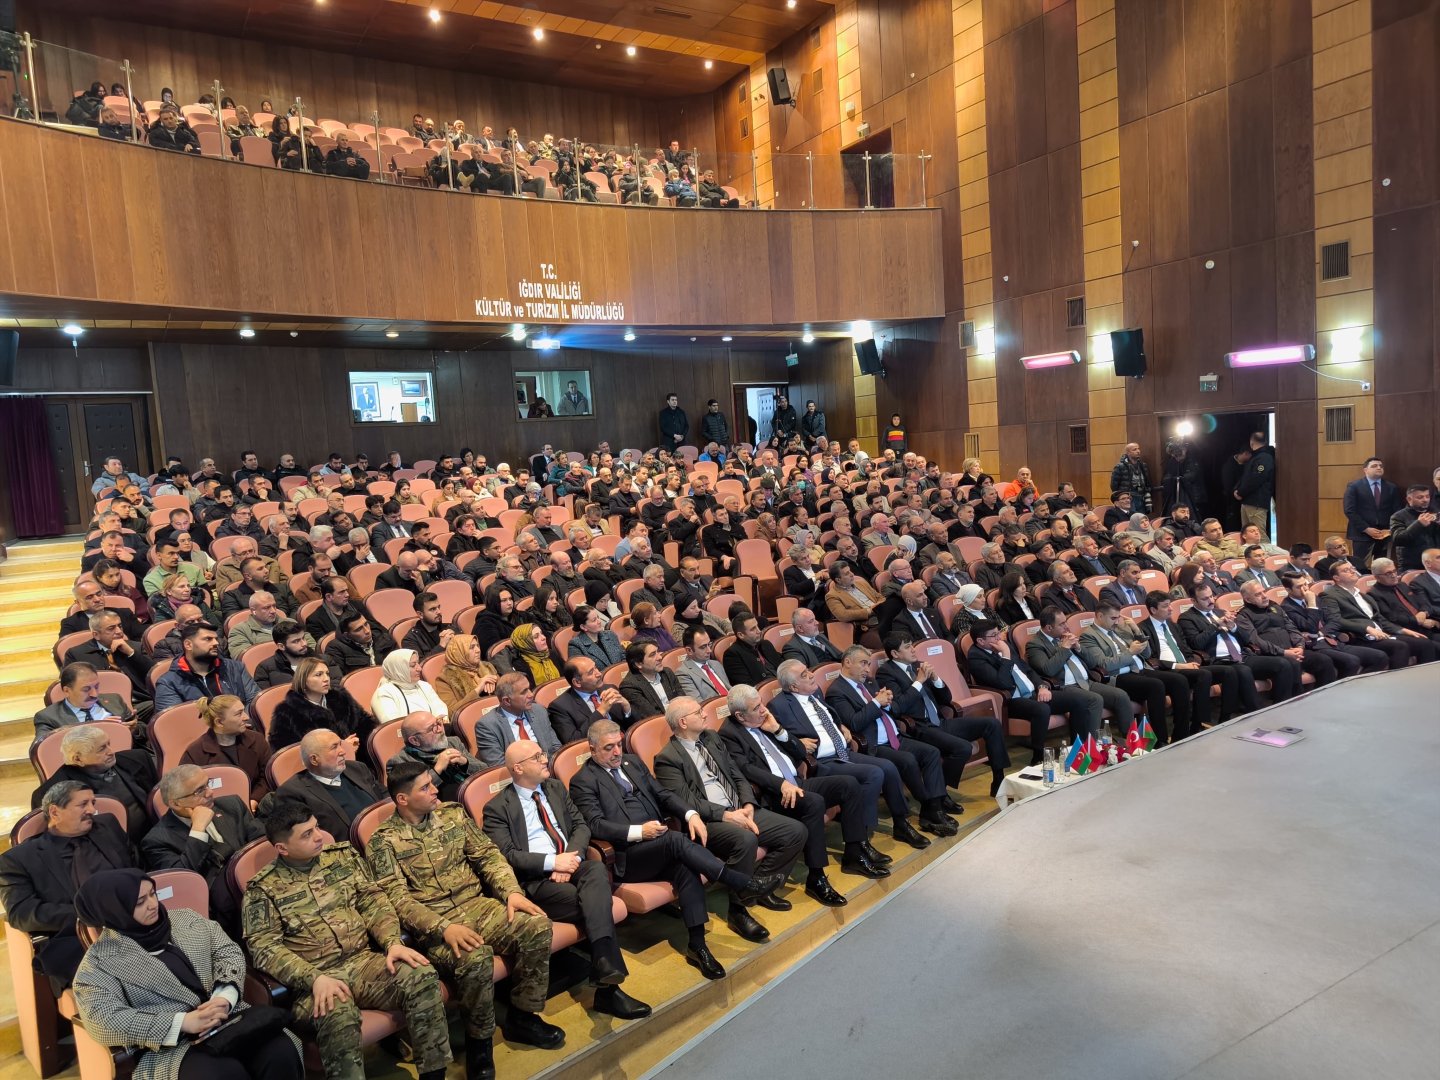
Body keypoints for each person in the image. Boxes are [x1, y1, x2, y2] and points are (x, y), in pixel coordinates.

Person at [366, 762, 564, 1076]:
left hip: (477, 905)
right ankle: (479, 1044)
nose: (435, 790)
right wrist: (443, 928)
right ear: (402, 799)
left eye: (433, 783)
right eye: (425, 787)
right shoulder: (383, 841)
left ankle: (523, 1018)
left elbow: (487, 856)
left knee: (537, 925)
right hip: (434, 924)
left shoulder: (453, 814)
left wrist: (511, 892)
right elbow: (396, 900)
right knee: (475, 958)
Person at [242, 798, 451, 1080]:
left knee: (422, 974)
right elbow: (264, 949)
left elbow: (373, 902)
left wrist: (392, 942)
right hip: (315, 982)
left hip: (364, 962)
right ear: (282, 848)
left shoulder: (341, 857)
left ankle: (434, 1075)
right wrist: (313, 978)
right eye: (307, 834)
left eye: (316, 828)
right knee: (338, 1013)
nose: (319, 837)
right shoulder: (262, 890)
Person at [567, 720, 782, 980]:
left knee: (685, 866)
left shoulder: (632, 763)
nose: (616, 752)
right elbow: (595, 824)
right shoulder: (582, 781)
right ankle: (739, 882)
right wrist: (639, 832)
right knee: (676, 841)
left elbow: (664, 795)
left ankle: (698, 945)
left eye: (618, 745)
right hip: (629, 856)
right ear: (592, 750)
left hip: (660, 846)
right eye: (608, 748)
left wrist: (690, 814)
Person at [73, 867, 304, 1080]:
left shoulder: (185, 918)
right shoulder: (98, 963)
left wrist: (224, 996)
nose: (153, 904)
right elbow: (102, 1020)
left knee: (281, 1050)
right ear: (115, 910)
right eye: (140, 902)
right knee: (221, 1074)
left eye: (153, 894)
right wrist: (182, 1022)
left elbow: (227, 950)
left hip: (227, 1018)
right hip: (173, 1046)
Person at [482, 742, 652, 1019]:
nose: (544, 759)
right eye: (537, 757)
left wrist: (569, 858)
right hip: (538, 882)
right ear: (518, 768)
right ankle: (608, 984)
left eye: (543, 753)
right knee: (598, 903)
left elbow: (581, 826)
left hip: (572, 863)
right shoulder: (497, 808)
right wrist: (552, 863)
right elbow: (508, 856)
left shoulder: (555, 788)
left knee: (595, 871)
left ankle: (607, 971)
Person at [653, 698, 808, 941]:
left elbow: (736, 775)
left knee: (795, 831)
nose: (705, 714)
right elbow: (688, 802)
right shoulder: (667, 758)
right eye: (698, 712)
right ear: (683, 722)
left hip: (740, 809)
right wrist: (727, 815)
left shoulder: (712, 738)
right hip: (710, 822)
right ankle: (738, 910)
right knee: (745, 839)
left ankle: (756, 887)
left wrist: (747, 805)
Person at [0, 782, 137, 990]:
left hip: (136, 925)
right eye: (83, 804)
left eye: (93, 802)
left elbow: (137, 869)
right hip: (79, 941)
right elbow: (22, 913)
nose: (92, 810)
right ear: (55, 811)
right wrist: (91, 915)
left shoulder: (107, 826)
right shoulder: (19, 860)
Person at [824, 646, 956, 837]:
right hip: (874, 745)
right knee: (908, 760)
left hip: (895, 736)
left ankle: (933, 806)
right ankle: (929, 808)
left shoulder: (869, 682)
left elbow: (893, 709)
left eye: (869, 664)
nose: (868, 669)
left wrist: (888, 701)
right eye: (863, 663)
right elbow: (854, 722)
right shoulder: (837, 691)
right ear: (847, 662)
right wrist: (877, 702)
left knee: (931, 752)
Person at [878, 632, 1010, 797]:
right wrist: (919, 682)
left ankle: (998, 778)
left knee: (992, 724)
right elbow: (899, 706)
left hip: (940, 722)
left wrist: (935, 679)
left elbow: (946, 699)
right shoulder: (886, 673)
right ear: (895, 654)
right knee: (962, 748)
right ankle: (941, 793)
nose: (913, 650)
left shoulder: (918, 665)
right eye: (907, 647)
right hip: (919, 727)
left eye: (912, 645)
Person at [141, 765, 265, 932]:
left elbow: (260, 843)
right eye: (199, 791)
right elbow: (184, 880)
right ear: (175, 803)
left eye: (208, 784)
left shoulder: (231, 805)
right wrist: (198, 829)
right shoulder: (157, 840)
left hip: (257, 884)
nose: (210, 792)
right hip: (220, 911)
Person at [965, 620, 1098, 762]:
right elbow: (1001, 682)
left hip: (1032, 693)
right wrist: (1005, 655)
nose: (999, 638)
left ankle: (1077, 751)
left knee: (1079, 701)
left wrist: (1041, 686)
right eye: (994, 635)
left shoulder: (1004, 645)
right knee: (1041, 709)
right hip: (1011, 700)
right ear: (980, 640)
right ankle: (1038, 756)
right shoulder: (976, 657)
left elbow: (1027, 669)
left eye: (999, 633)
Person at [1078, 600, 1186, 746]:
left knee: (1178, 680)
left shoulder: (1120, 629)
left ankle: (1181, 733)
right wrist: (1130, 652)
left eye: (1118, 617)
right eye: (1113, 618)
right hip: (1119, 676)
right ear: (1100, 616)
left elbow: (1147, 654)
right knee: (1155, 685)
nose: (1117, 622)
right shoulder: (1088, 636)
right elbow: (1104, 664)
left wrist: (1136, 631)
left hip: (1139, 669)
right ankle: (1160, 738)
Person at [33, 725, 157, 841]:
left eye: (109, 744)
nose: (111, 751)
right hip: (104, 850)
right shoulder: (51, 793)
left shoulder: (138, 759)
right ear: (78, 759)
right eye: (102, 749)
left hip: (153, 837)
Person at [1177, 583, 1287, 705]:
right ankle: (1253, 710)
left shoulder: (1220, 612)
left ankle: (1281, 704)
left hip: (1242, 655)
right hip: (1219, 660)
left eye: (1211, 596)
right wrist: (1215, 625)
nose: (1211, 601)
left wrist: (1233, 627)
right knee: (1243, 670)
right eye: (1205, 599)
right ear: (1193, 600)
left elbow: (1246, 639)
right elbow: (1196, 643)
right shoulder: (1187, 618)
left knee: (1282, 663)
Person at [272, 729, 386, 841]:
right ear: (314, 759)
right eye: (334, 747)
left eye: (340, 745)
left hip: (388, 836)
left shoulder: (357, 768)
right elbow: (304, 840)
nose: (343, 751)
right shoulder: (292, 793)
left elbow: (385, 796)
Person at [271, 657, 376, 757]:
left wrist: (357, 741)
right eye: (318, 675)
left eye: (327, 674)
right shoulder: (286, 712)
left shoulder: (341, 697)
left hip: (358, 758)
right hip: (320, 770)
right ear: (303, 680)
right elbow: (290, 753)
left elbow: (365, 723)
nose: (326, 679)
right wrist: (343, 748)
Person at [181, 695, 274, 802]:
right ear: (219, 722)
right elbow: (189, 792)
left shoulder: (257, 740)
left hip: (257, 805)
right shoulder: (195, 754)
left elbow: (267, 776)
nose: (246, 717)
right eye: (238, 714)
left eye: (243, 711)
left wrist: (254, 800)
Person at [154, 623, 260, 711]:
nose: (216, 643)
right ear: (188, 645)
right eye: (208, 639)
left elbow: (254, 702)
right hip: (203, 735)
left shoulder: (235, 668)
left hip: (244, 728)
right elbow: (179, 720)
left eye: (216, 638)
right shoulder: (168, 683)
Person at [33, 661, 137, 747]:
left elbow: (140, 732)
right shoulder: (47, 717)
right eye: (86, 689)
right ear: (66, 691)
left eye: (96, 686)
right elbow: (46, 747)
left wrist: (132, 729)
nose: (94, 694)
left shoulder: (114, 699)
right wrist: (99, 727)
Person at [473, 674, 563, 766]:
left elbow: (555, 748)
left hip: (547, 771)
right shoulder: (487, 725)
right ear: (507, 701)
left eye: (529, 688)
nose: (531, 695)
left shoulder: (538, 711)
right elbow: (498, 766)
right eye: (524, 692)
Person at [389, 712, 482, 801]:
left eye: (438, 723)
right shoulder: (400, 762)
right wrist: (437, 769)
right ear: (414, 740)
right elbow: (411, 796)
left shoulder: (453, 742)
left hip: (475, 795)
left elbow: (486, 770)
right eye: (432, 728)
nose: (440, 729)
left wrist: (465, 763)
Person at [548, 657, 632, 744]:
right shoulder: (560, 707)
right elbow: (573, 741)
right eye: (591, 672)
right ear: (577, 682)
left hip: (624, 744)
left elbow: (632, 727)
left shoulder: (609, 689)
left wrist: (627, 708)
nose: (599, 674)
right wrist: (601, 711)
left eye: (596, 667)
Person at [1342, 457, 1404, 567]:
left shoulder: (1391, 487)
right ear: (1365, 470)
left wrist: (1390, 530)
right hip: (1362, 533)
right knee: (1360, 566)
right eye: (1374, 466)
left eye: (1381, 466)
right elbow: (1350, 510)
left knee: (1382, 566)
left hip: (1384, 534)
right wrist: (1366, 529)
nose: (1379, 468)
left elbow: (1397, 511)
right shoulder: (1354, 486)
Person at [370, 649, 449, 724]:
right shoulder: (384, 693)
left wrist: (441, 718)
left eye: (418, 663)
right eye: (413, 665)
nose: (419, 668)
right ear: (399, 669)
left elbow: (439, 707)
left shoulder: (424, 685)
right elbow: (394, 725)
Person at [434, 633, 500, 713]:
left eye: (477, 645)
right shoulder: (445, 678)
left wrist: (498, 682)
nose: (478, 650)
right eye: (472, 647)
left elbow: (508, 694)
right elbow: (452, 713)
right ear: (459, 652)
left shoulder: (487, 667)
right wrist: (478, 689)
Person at [1388, 486, 1440, 572]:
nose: (1425, 500)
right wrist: (1419, 524)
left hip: (1436, 564)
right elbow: (1398, 539)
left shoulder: (1435, 512)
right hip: (1412, 565)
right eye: (1420, 497)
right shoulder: (1398, 516)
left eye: (1427, 496)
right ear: (1409, 499)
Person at [509, 623, 560, 688]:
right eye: (536, 637)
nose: (543, 638)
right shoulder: (519, 665)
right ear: (525, 643)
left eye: (542, 633)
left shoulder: (551, 654)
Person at [1109, 442, 1152, 513]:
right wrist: (1122, 497)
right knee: (1131, 517)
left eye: (1138, 449)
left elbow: (1147, 482)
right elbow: (1114, 486)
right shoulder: (1120, 467)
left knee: (1141, 518)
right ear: (1128, 453)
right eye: (1134, 449)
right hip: (1129, 496)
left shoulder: (1143, 465)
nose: (1138, 451)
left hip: (1142, 496)